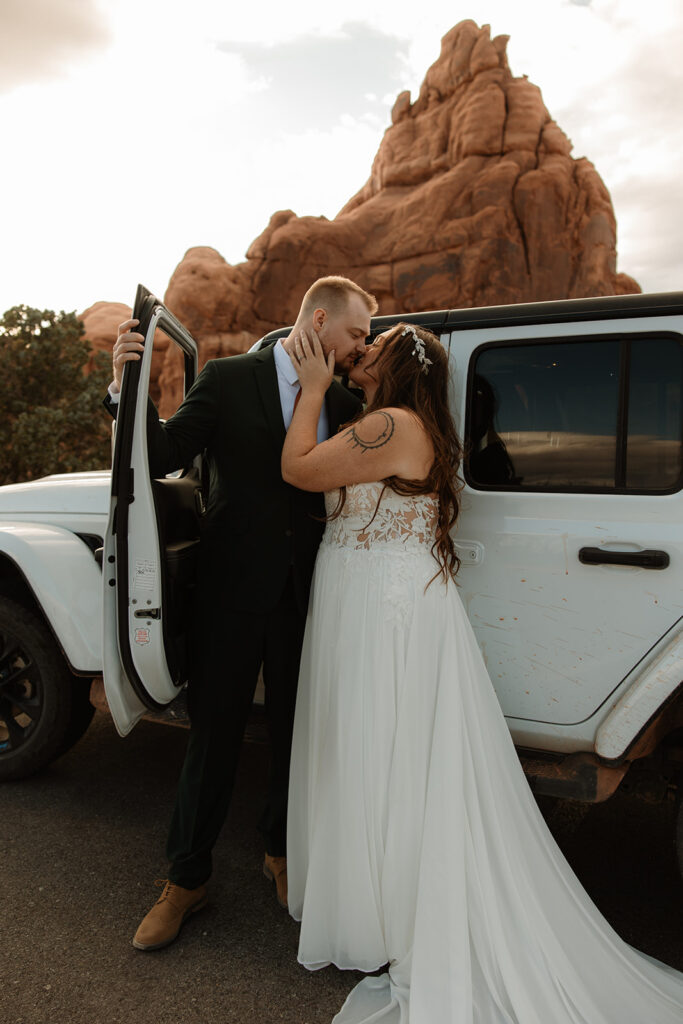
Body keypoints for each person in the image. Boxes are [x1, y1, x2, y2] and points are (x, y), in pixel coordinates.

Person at [279, 324, 683, 1023]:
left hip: (382, 609)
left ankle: (386, 906)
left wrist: (312, 388)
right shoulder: (402, 424)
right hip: (381, 598)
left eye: (371, 348)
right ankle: (376, 900)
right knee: (389, 753)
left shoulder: (390, 423)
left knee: (382, 751)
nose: (359, 352)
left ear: (396, 368)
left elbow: (299, 470)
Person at [106, 276, 375, 951]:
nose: (358, 348)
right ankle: (185, 878)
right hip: (228, 593)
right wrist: (126, 389)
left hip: (307, 595)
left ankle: (279, 852)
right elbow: (164, 454)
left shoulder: (341, 399)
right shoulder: (227, 378)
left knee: (293, 730)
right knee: (213, 735)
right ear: (319, 320)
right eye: (354, 335)